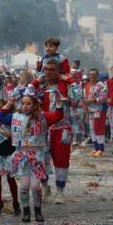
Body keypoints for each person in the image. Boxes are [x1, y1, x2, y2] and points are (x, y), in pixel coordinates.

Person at [0, 89, 65, 223]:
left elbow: (58, 116)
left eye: (28, 103)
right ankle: (26, 211)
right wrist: (8, 104)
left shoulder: (42, 117)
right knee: (24, 185)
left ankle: (38, 211)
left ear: (34, 105)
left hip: (37, 155)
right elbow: (0, 116)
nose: (25, 106)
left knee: (35, 186)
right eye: (23, 103)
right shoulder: (15, 116)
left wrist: (58, 102)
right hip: (21, 154)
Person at [36, 60, 73, 203]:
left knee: (61, 160)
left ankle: (60, 191)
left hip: (62, 127)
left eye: (51, 69)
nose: (48, 72)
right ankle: (45, 186)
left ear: (58, 71)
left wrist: (69, 80)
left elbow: (77, 99)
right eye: (46, 69)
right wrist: (35, 81)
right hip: (43, 128)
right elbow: (27, 96)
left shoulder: (66, 85)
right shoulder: (41, 86)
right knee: (40, 159)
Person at [0, 98, 19, 217]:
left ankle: (16, 202)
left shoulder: (11, 120)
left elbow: (18, 136)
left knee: (11, 179)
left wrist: (11, 136)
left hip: (10, 153)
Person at [83, 69, 108, 156]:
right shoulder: (86, 85)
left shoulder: (101, 85)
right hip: (90, 111)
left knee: (98, 128)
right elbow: (84, 98)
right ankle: (95, 148)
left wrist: (93, 100)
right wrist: (86, 109)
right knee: (92, 129)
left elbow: (104, 98)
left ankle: (101, 149)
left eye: (94, 74)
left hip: (99, 110)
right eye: (90, 74)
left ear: (97, 76)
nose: (92, 76)